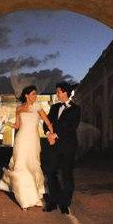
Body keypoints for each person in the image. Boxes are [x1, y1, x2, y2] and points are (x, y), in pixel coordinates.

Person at [0, 85, 55, 210]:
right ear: (26, 95)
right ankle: (24, 198)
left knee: (33, 165)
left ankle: (35, 194)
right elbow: (17, 126)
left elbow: (47, 122)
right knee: (20, 166)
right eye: (33, 94)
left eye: (36, 94)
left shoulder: (38, 107)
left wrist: (52, 134)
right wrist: (5, 121)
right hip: (20, 140)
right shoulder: (19, 108)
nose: (35, 96)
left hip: (33, 141)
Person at [42, 81, 81, 214]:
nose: (57, 93)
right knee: (51, 172)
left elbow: (71, 127)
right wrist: (48, 133)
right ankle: (53, 201)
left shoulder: (76, 109)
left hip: (68, 146)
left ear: (65, 92)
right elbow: (46, 123)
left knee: (66, 175)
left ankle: (65, 203)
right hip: (53, 146)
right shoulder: (54, 107)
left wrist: (56, 135)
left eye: (58, 91)